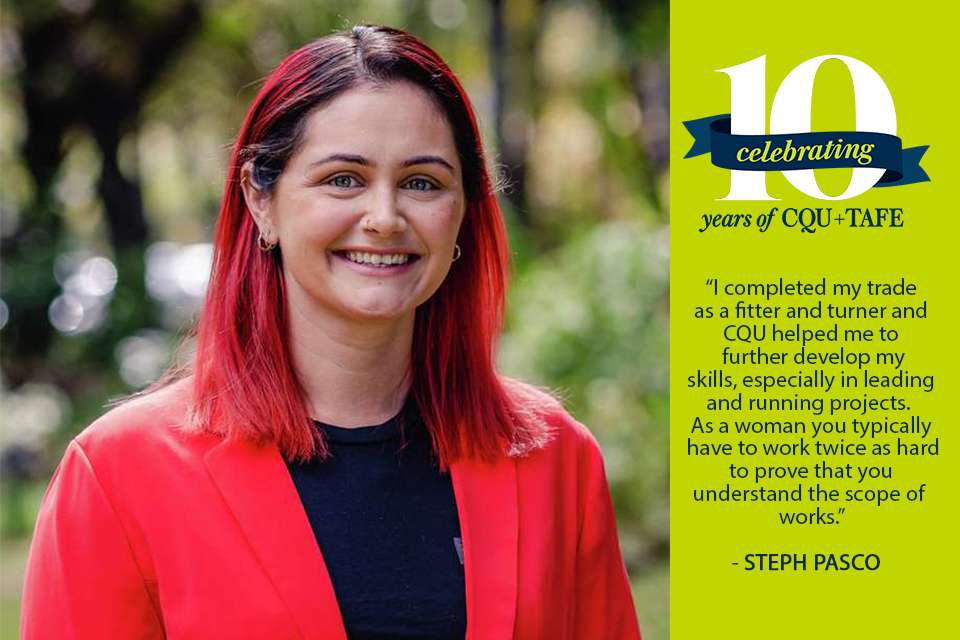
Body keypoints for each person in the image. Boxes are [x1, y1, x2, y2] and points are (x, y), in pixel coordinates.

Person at [21, 25, 642, 639]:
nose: (384, 217)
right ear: (261, 201)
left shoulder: (555, 459)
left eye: (422, 183)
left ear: (462, 213)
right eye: (343, 178)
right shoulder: (118, 474)